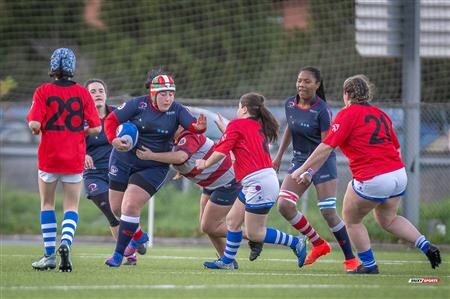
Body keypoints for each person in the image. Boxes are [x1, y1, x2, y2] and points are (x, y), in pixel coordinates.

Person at [292, 75, 442, 274]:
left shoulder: (348, 114)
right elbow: (396, 148)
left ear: (347, 94)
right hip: (398, 174)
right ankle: (425, 245)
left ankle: (369, 265)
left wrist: (302, 169)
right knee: (388, 218)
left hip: (375, 177)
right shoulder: (381, 114)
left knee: (351, 219)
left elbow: (326, 146)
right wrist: (311, 170)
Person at [103, 71, 207, 267]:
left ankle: (118, 255)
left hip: (153, 166)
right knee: (116, 208)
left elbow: (192, 125)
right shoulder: (137, 104)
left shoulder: (177, 110)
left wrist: (199, 127)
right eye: (163, 94)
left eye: (171, 94)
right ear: (153, 94)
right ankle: (140, 236)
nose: (168, 98)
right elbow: (111, 121)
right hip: (123, 159)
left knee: (130, 206)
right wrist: (114, 140)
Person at [196, 92, 307, 270]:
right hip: (258, 181)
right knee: (232, 220)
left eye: (238, 107)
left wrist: (205, 163)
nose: (237, 110)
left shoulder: (237, 125)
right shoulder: (255, 127)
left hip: (259, 183)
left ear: (244, 109)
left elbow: (223, 150)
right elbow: (237, 148)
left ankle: (296, 242)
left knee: (256, 233)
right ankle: (228, 261)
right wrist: (226, 130)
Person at [135, 124, 263, 265]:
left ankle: (254, 236)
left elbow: (180, 157)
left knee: (209, 226)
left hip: (227, 182)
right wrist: (182, 170)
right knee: (207, 227)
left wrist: (150, 156)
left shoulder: (188, 135)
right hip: (210, 184)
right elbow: (188, 158)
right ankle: (228, 261)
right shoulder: (174, 140)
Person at [273, 66, 358, 272]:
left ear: (317, 85)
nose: (301, 84)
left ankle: (351, 259)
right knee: (284, 205)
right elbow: (290, 130)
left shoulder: (322, 110)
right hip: (300, 160)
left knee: (328, 212)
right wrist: (277, 157)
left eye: (307, 81)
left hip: (323, 162)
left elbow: (327, 146)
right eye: (299, 80)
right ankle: (318, 243)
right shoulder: (290, 104)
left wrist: (310, 172)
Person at [27, 48, 102, 272]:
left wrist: (37, 127)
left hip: (49, 156)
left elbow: (34, 124)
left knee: (47, 203)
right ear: (72, 68)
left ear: (53, 67)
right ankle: (66, 242)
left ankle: (49, 255)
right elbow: (97, 127)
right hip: (74, 157)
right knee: (72, 206)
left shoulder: (42, 91)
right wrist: (81, 131)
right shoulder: (83, 93)